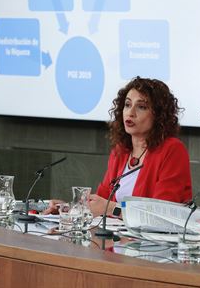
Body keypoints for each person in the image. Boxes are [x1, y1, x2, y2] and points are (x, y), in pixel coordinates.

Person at [44, 77, 192, 217]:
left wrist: (110, 208)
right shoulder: (121, 152)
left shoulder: (172, 150)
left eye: (141, 107)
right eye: (127, 105)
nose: (131, 112)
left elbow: (161, 212)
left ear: (159, 115)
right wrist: (68, 208)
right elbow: (100, 201)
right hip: (119, 240)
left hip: (156, 242)